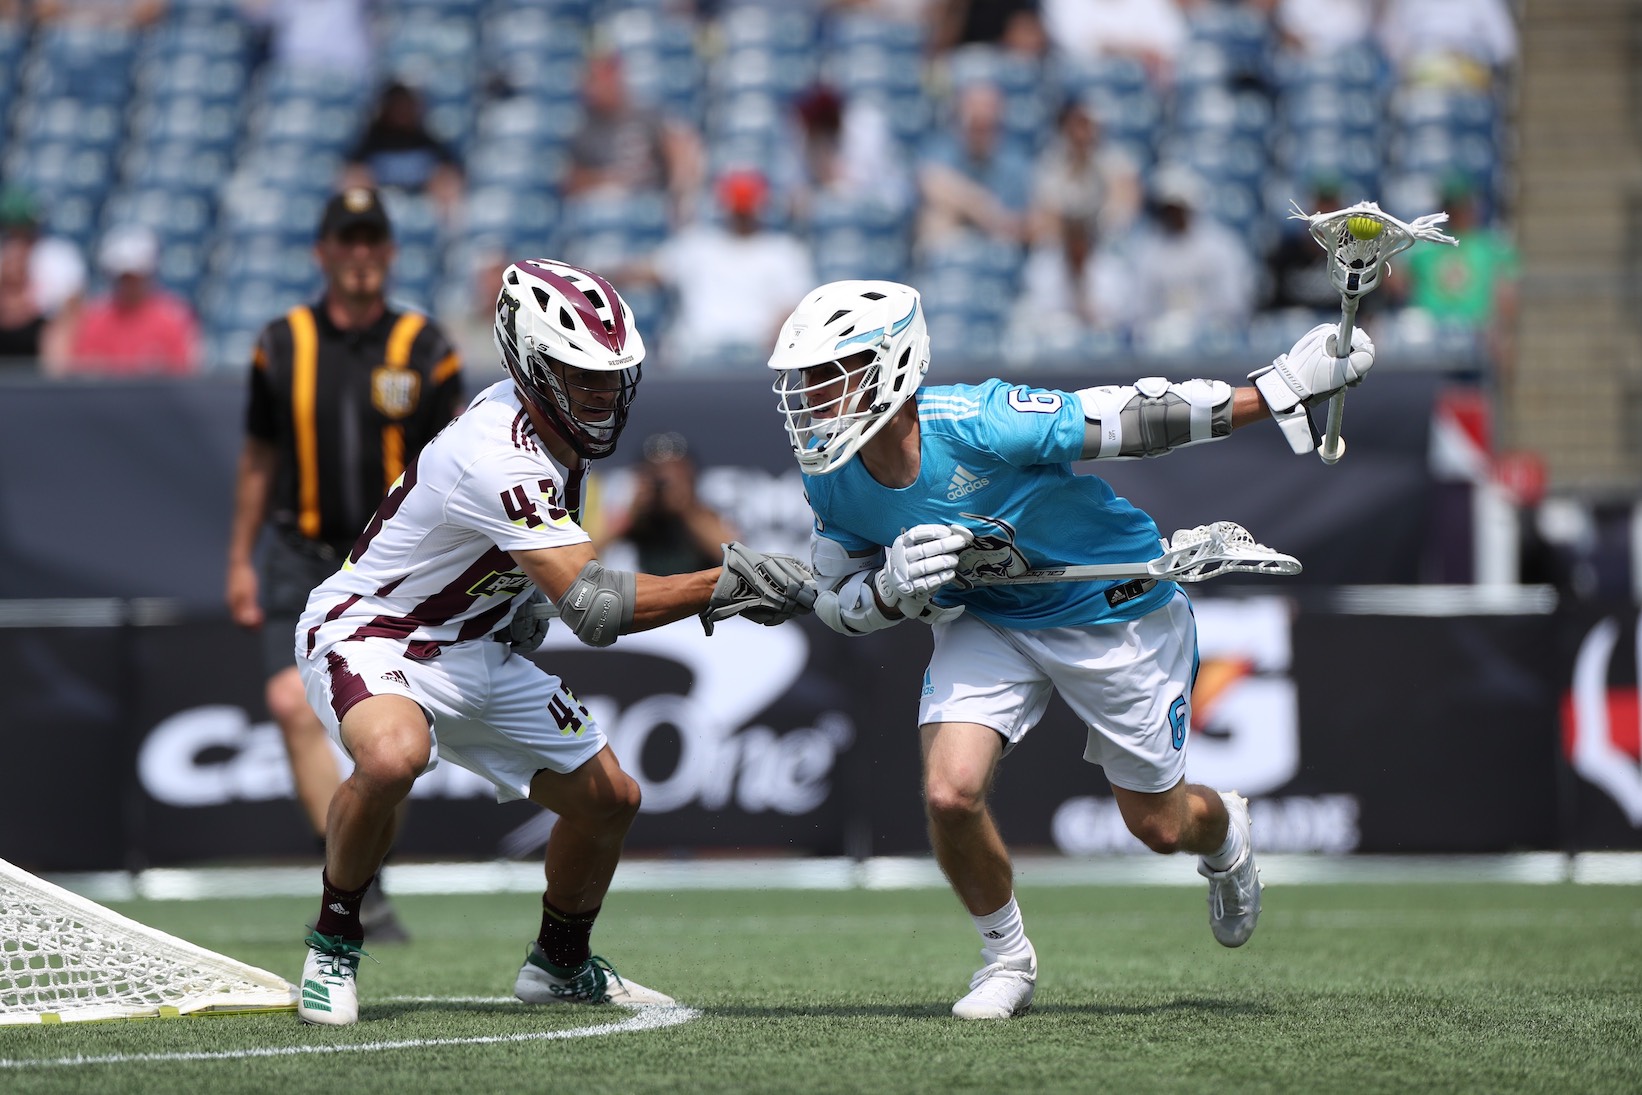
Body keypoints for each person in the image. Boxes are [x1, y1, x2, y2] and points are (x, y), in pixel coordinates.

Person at [764, 279, 1376, 1019]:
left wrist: (1272, 390)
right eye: (804, 378)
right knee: (948, 792)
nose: (811, 396)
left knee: (1160, 825)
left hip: (1110, 608)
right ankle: (1007, 959)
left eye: (828, 374)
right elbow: (838, 603)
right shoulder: (830, 474)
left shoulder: (980, 423)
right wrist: (891, 591)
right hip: (989, 616)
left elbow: (1133, 418)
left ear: (890, 368)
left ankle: (1228, 834)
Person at [290, 258, 814, 1025]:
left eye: (610, 378)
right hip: (373, 630)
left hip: (468, 640)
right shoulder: (494, 450)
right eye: (581, 377)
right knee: (394, 752)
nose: (603, 395)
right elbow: (597, 609)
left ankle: (559, 962)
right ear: (532, 369)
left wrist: (521, 600)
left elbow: (539, 572)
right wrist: (724, 582)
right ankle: (333, 942)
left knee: (610, 801)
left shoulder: (549, 438)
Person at [225, 187, 465, 943]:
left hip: (392, 562)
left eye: (373, 241)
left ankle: (363, 879)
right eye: (346, 240)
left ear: (389, 253)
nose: (360, 254)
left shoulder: (427, 348)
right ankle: (356, 876)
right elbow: (260, 457)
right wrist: (239, 556)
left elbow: (455, 465)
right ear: (322, 251)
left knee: (394, 734)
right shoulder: (279, 343)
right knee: (292, 707)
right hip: (299, 552)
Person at [617, 168, 815, 368]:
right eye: (739, 208)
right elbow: (648, 271)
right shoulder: (697, 244)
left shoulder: (783, 251)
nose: (742, 215)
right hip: (697, 354)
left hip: (758, 356)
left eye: (746, 208)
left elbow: (795, 308)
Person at [54, 225, 201, 376]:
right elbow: (82, 374)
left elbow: (183, 377)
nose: (129, 284)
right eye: (124, 277)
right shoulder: (94, 319)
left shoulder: (173, 318)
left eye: (134, 277)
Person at [596, 431, 738, 576]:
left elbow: (735, 557)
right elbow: (590, 553)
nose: (663, 481)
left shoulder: (703, 514)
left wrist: (686, 510)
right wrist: (630, 516)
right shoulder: (642, 519)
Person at [342, 80, 464, 221]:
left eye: (407, 104)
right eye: (397, 104)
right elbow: (352, 173)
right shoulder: (371, 141)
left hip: (424, 207)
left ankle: (445, 235)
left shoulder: (429, 141)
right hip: (380, 204)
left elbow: (451, 172)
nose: (402, 110)